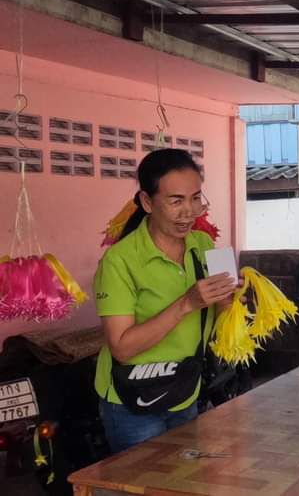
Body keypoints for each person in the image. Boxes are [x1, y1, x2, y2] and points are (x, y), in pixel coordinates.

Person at [93, 149, 237, 453]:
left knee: (183, 475)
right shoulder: (119, 261)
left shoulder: (203, 245)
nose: (189, 212)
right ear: (147, 202)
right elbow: (121, 347)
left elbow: (220, 319)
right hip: (133, 400)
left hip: (183, 390)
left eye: (195, 198)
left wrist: (231, 302)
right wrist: (186, 304)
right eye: (176, 201)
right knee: (144, 478)